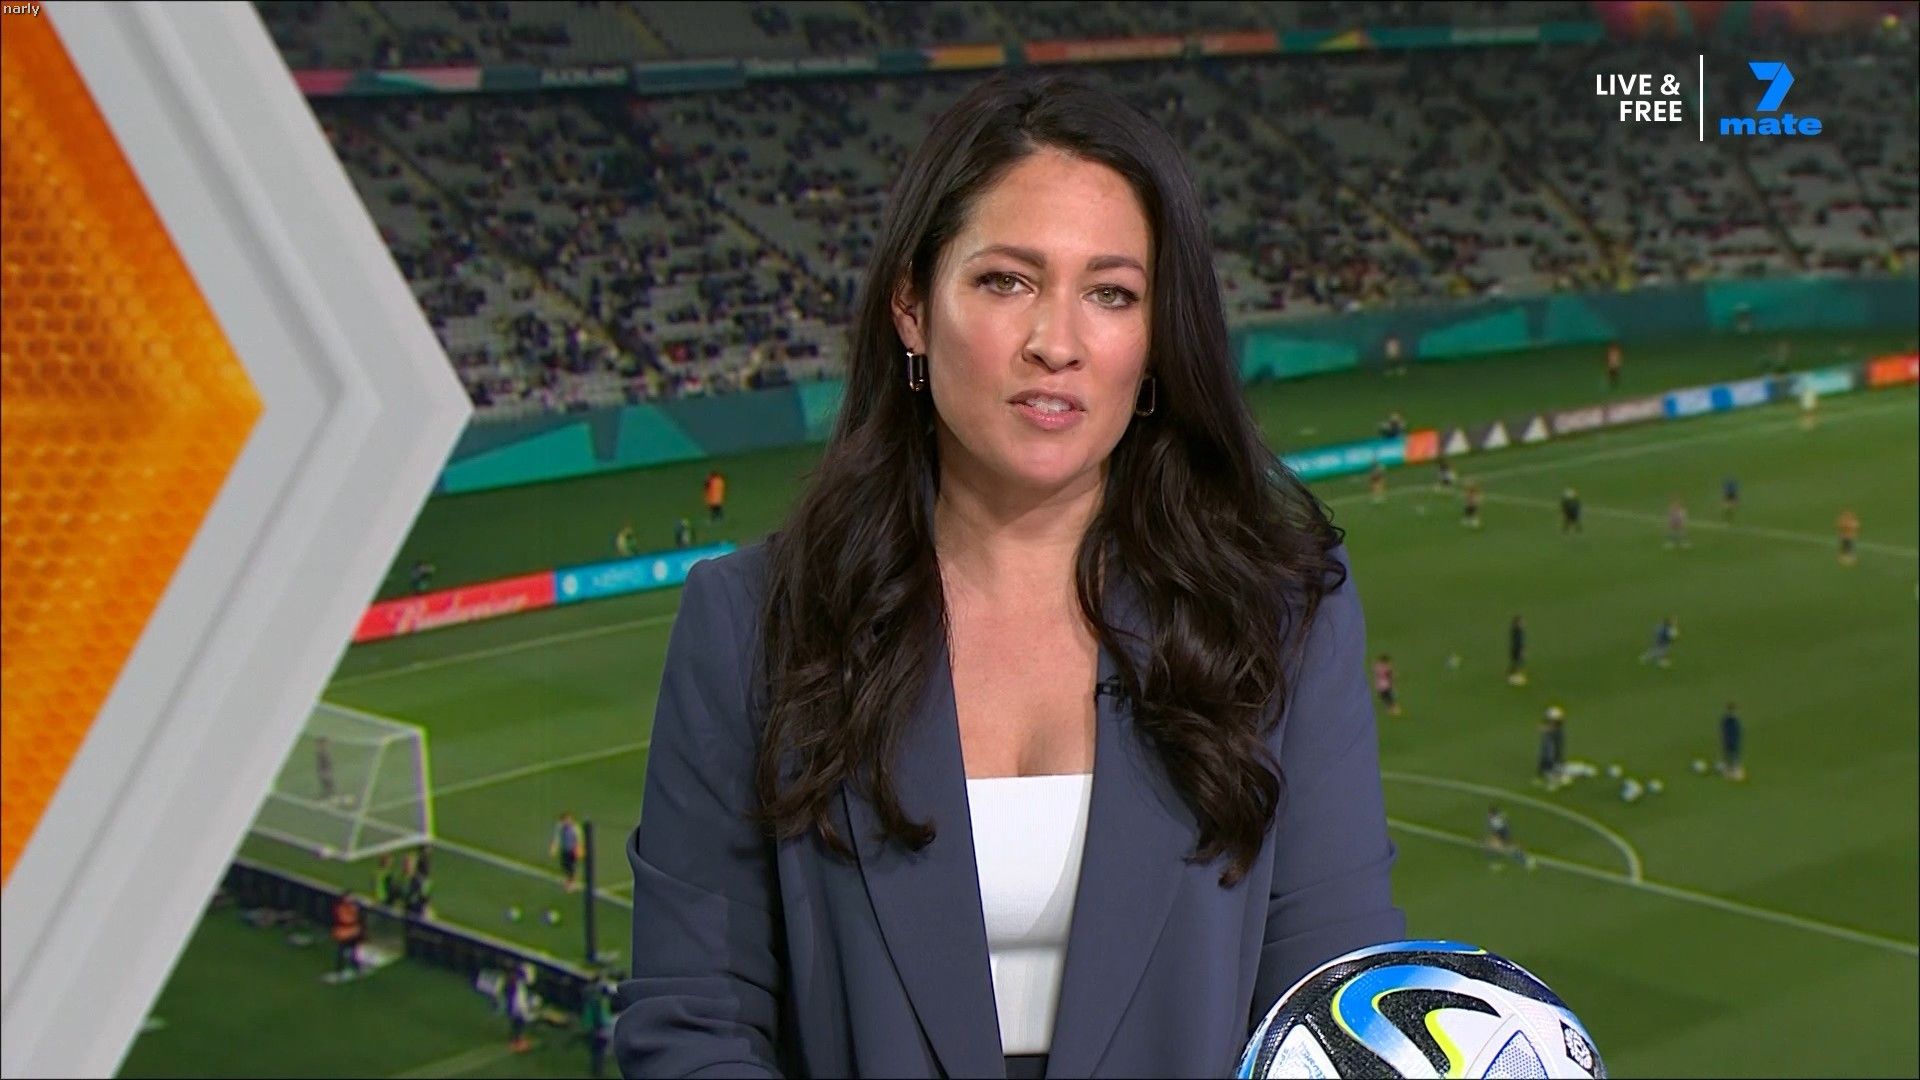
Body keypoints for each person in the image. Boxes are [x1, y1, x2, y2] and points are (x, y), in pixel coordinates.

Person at [614, 73, 1405, 1080]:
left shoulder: (1284, 616)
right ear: (912, 306)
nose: (1056, 344)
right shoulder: (752, 623)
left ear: (1156, 334)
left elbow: (1335, 1008)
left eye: (1111, 293)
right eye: (1006, 282)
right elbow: (695, 1022)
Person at [1484, 805, 1535, 871]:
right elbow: (1503, 826)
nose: (1488, 815)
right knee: (1497, 848)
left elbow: (1502, 829)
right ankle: (1524, 859)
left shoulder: (1496, 820)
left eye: (1490, 814)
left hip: (1502, 833)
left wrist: (1497, 839)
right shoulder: (1495, 819)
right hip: (1502, 833)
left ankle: (1525, 860)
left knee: (1506, 849)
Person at [330, 890, 363, 981]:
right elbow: (345, 919)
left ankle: (355, 968)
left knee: (352, 952)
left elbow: (354, 918)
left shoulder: (353, 906)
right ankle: (341, 970)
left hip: (352, 932)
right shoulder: (341, 908)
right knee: (343, 952)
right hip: (345, 933)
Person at [551, 810, 585, 893]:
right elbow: (557, 837)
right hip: (564, 849)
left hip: (572, 850)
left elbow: (579, 840)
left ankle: (571, 883)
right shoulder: (560, 826)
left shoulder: (575, 828)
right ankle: (570, 879)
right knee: (564, 865)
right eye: (564, 820)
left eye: (567, 820)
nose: (566, 822)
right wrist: (554, 847)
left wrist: (579, 850)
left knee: (571, 867)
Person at [1537, 706, 1566, 791]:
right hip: (1550, 759)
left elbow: (1546, 729)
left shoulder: (1556, 732)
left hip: (1553, 761)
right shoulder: (1555, 730)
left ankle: (1554, 781)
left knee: (1552, 771)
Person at [1719, 702, 1746, 781]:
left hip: (1728, 739)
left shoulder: (1725, 719)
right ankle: (1734, 770)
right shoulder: (1733, 720)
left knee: (1729, 752)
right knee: (1733, 753)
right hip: (1732, 739)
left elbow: (1723, 729)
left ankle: (1729, 768)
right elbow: (1736, 731)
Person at [1373, 653, 1402, 718]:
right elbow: (1390, 675)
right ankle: (1394, 709)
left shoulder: (1377, 666)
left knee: (1384, 697)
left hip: (1379, 685)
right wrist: (1394, 681)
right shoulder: (1387, 667)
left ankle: (1391, 709)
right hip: (1386, 684)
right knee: (1388, 697)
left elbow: (1376, 674)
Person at [1506, 614, 1528, 686]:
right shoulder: (1518, 631)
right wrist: (1522, 650)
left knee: (1516, 661)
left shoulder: (1515, 630)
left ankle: (1512, 673)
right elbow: (1519, 641)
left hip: (1515, 648)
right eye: (1521, 622)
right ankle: (1516, 676)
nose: (1523, 623)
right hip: (1517, 648)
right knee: (1518, 661)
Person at [314, 736, 335, 803]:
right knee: (328, 785)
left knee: (329, 784)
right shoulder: (322, 752)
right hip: (324, 770)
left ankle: (327, 796)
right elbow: (324, 762)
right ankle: (326, 797)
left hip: (325, 769)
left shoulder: (322, 751)